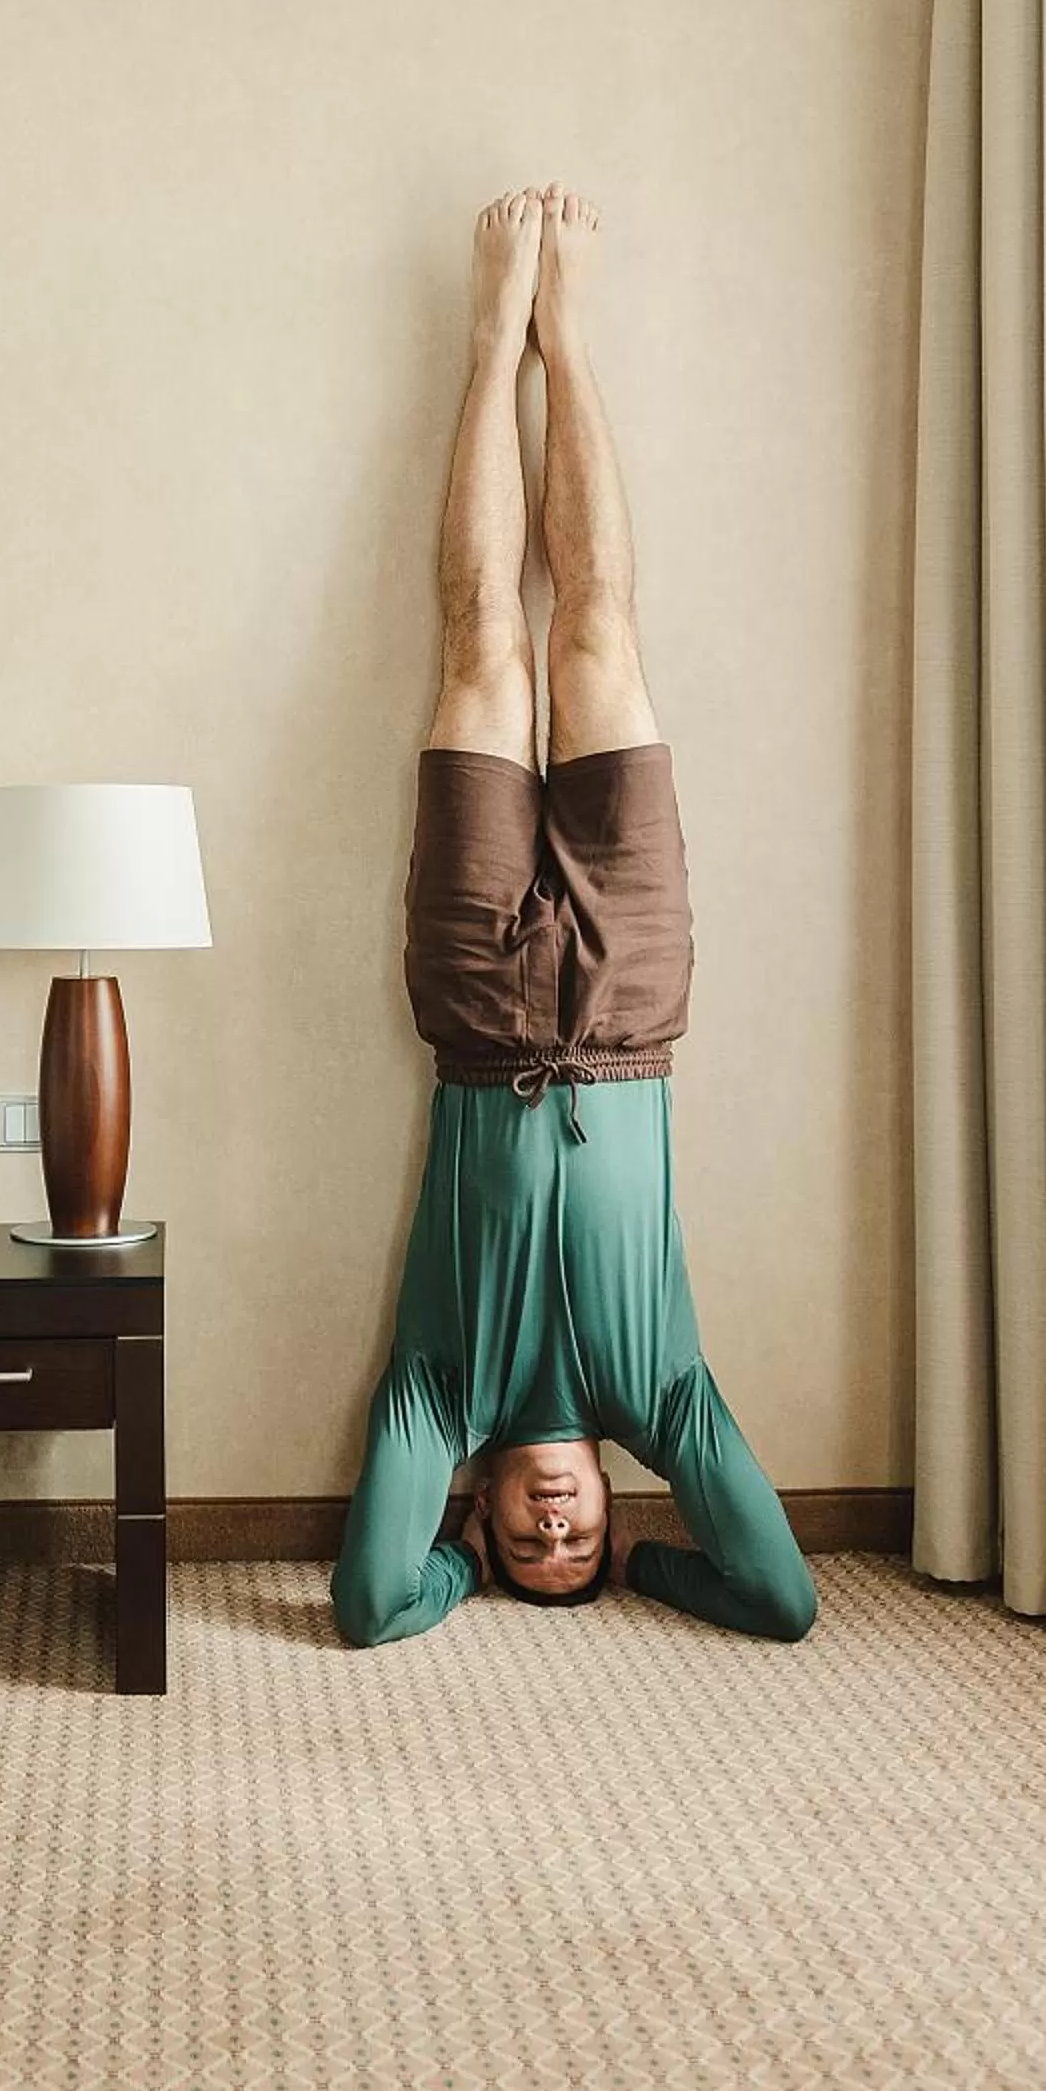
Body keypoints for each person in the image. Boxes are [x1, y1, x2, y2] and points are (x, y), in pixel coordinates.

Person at [331, 185, 817, 1648]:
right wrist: (666, 1575)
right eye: (581, 1547)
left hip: (478, 1006)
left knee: (485, 635)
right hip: (629, 1004)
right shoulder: (657, 1395)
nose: (557, 1531)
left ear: (471, 1511)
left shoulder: (441, 1394)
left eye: (527, 1548)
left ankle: (496, 343)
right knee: (596, 626)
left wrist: (450, 1579)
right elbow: (783, 1601)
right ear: (616, 1500)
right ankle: (571, 332)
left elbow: (365, 1602)